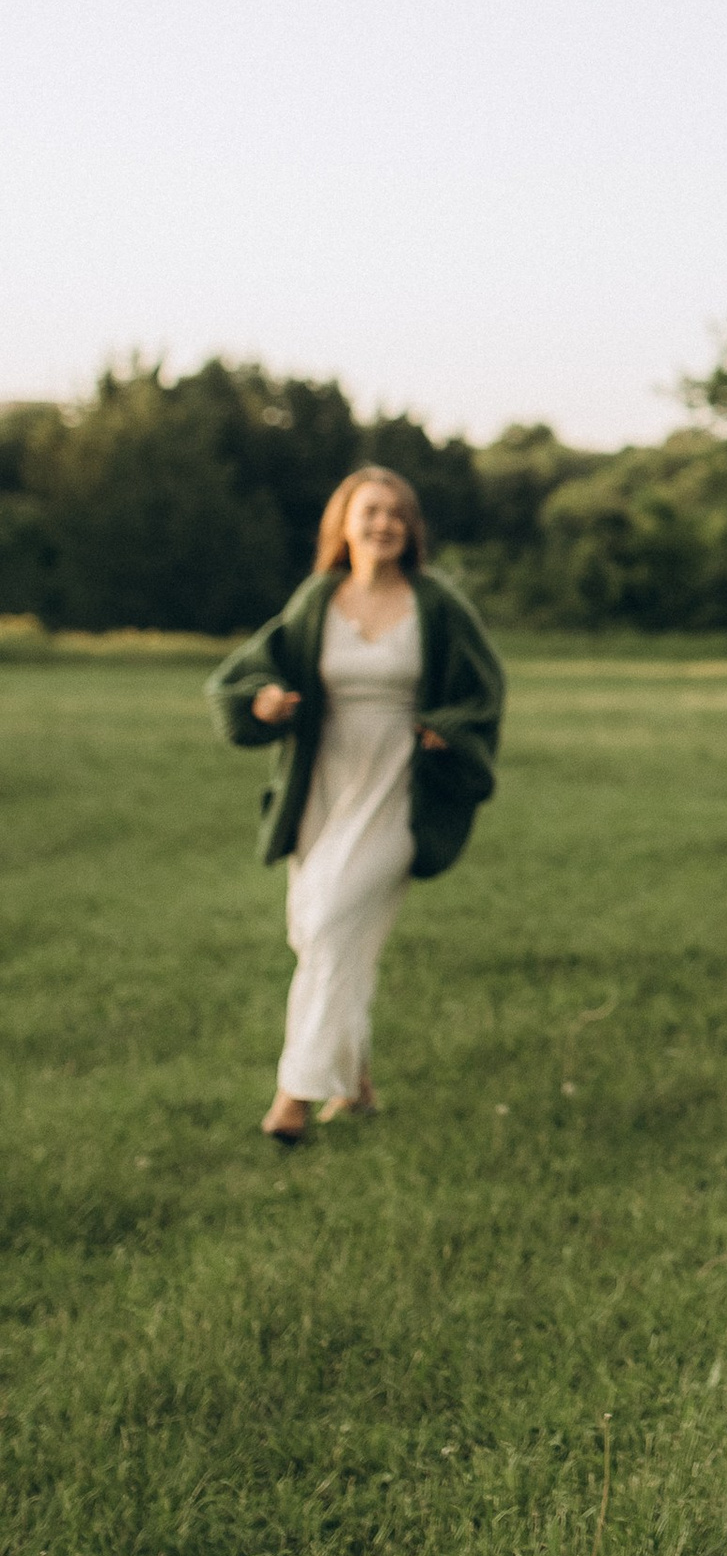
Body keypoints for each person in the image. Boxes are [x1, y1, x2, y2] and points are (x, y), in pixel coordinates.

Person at [206, 467, 506, 1145]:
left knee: (330, 921)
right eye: (370, 511)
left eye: (397, 513)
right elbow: (248, 673)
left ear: (412, 528)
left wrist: (450, 730)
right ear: (343, 522)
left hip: (399, 786)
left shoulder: (437, 602)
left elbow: (485, 689)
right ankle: (357, 1085)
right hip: (321, 786)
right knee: (322, 932)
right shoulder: (317, 599)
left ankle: (293, 1097)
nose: (384, 524)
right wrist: (264, 700)